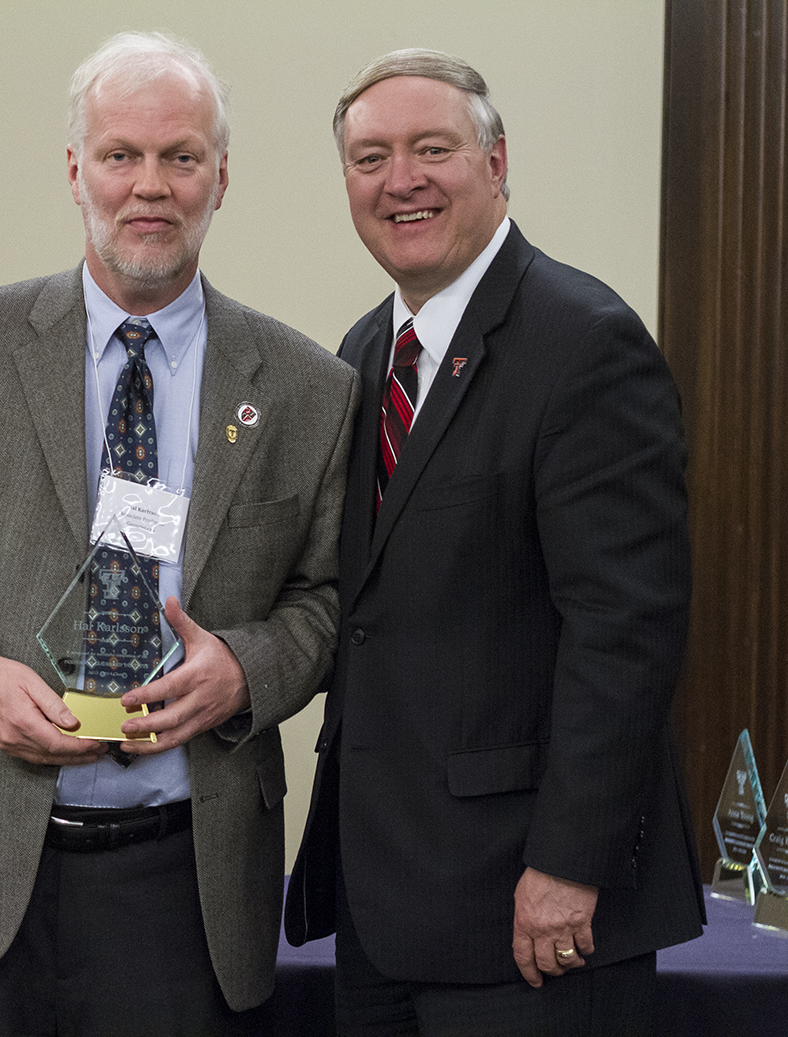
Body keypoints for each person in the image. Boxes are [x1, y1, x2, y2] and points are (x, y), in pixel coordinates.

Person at [0, 31, 358, 1035]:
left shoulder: (305, 388)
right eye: (120, 155)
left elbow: (328, 602)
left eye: (180, 157)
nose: (148, 186)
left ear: (220, 177)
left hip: (181, 881)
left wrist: (245, 668)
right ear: (76, 171)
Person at [284, 49, 705, 1035]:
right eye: (370, 157)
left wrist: (568, 864)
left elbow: (623, 628)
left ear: (496, 161)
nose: (401, 180)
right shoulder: (362, 350)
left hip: (531, 913)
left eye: (432, 148)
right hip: (384, 906)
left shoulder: (583, 340)